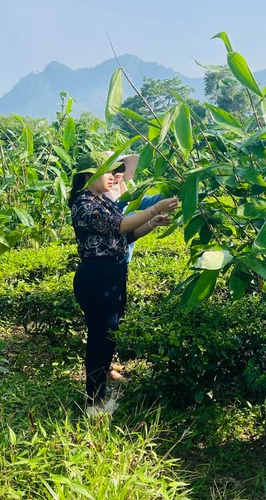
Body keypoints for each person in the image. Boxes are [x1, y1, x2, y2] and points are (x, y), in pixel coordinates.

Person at [68, 151, 179, 415]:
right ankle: (94, 401)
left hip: (112, 274)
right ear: (88, 175)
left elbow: (125, 237)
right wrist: (154, 208)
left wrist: (151, 222)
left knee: (109, 335)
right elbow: (120, 226)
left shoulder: (102, 201)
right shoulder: (84, 203)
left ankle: (101, 391)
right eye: (107, 172)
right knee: (100, 338)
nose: (114, 177)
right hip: (98, 277)